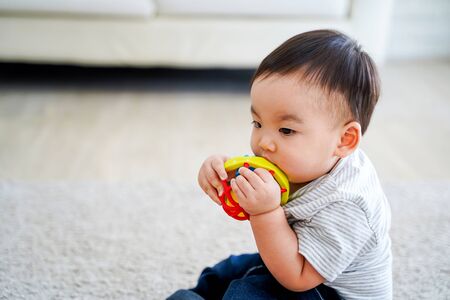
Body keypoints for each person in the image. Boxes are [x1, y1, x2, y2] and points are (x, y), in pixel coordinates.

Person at [168, 29, 392, 300]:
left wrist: (265, 213)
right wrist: (225, 171)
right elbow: (263, 168)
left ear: (345, 140)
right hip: (295, 256)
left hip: (324, 289)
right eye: (258, 123)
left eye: (286, 130)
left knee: (249, 291)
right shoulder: (312, 156)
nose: (264, 143)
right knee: (232, 270)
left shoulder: (348, 204)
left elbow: (297, 278)